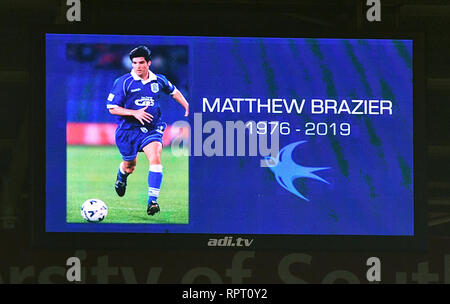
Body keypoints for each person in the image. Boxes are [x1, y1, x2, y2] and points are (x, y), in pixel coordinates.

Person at [106, 45, 189, 216]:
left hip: (152, 129)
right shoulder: (123, 82)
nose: (137, 66)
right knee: (130, 166)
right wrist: (134, 113)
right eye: (134, 63)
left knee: (156, 158)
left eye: (141, 62)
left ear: (149, 63)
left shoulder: (159, 80)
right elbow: (112, 108)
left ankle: (152, 201)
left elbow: (174, 92)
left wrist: (187, 105)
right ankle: (122, 177)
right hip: (128, 131)